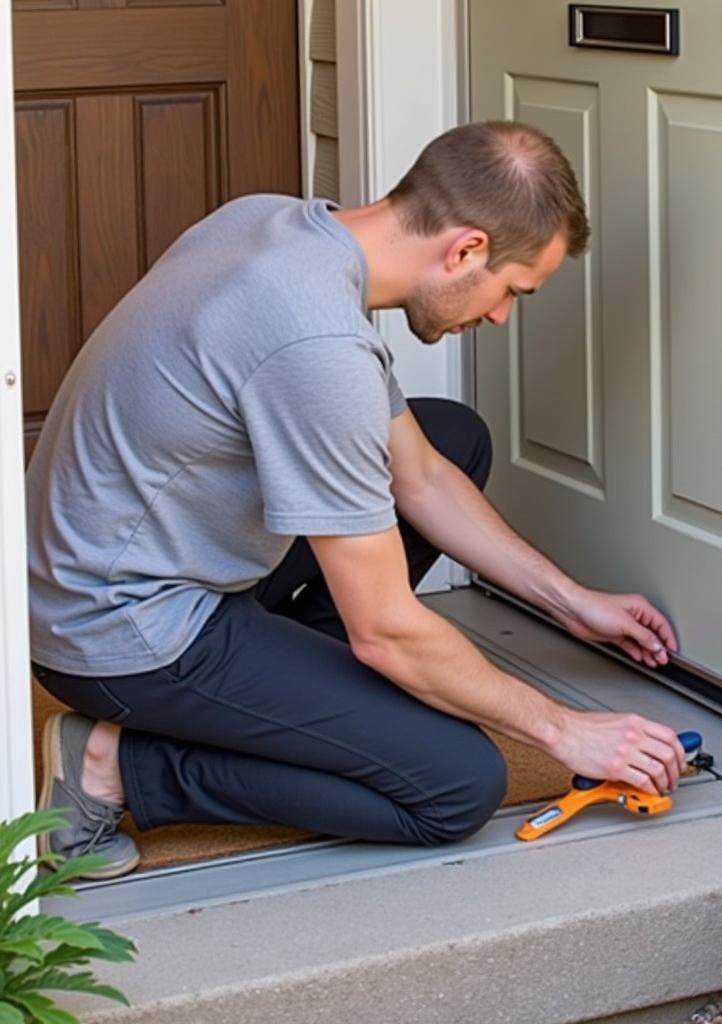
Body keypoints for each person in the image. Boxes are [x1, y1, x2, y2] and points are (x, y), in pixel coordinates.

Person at [27, 121, 684, 879]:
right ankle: (116, 763)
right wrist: (565, 730)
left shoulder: (274, 225)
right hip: (119, 628)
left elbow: (422, 476)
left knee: (451, 438)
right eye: (513, 290)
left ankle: (293, 693)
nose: (502, 316)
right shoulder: (316, 347)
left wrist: (572, 602)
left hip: (117, 552)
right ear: (466, 249)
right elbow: (384, 632)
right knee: (454, 784)